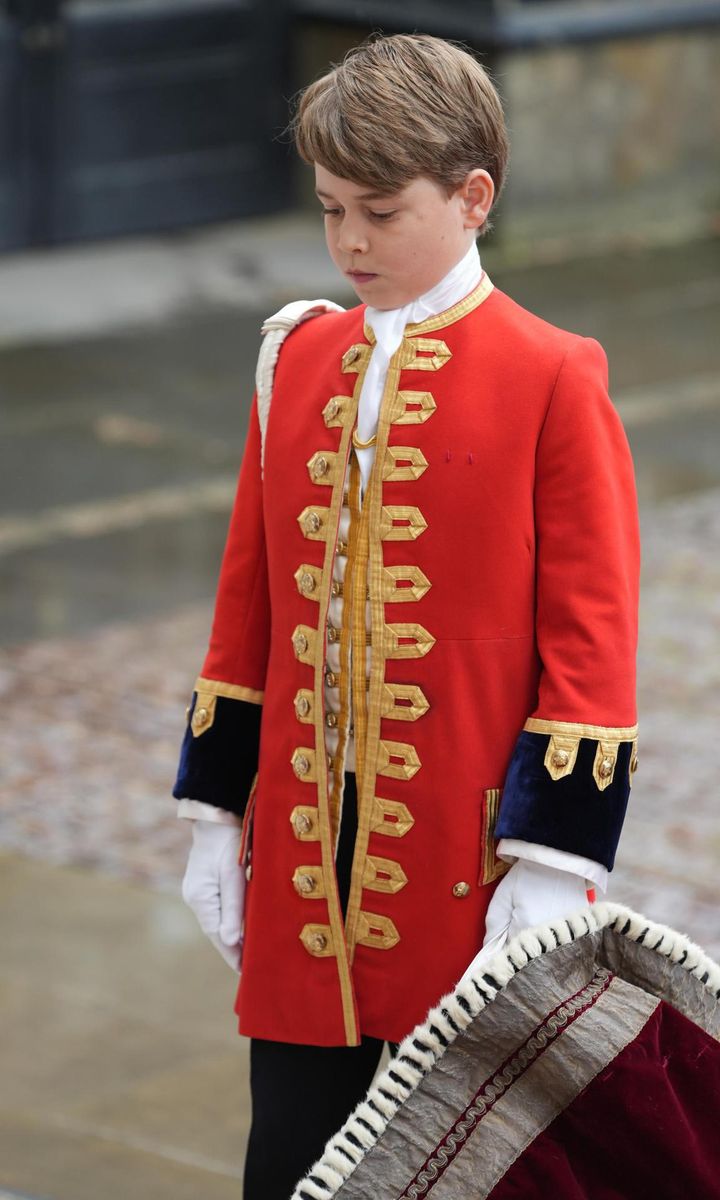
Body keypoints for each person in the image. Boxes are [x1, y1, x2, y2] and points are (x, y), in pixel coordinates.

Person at [172, 33, 640, 1200]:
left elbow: (594, 638)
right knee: (289, 1162)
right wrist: (209, 813)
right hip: (296, 864)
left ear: (474, 197)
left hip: (461, 860)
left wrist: (551, 861)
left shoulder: (554, 372)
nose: (349, 243)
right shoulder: (294, 358)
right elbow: (249, 607)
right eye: (331, 211)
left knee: (452, 1167)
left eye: (379, 211)